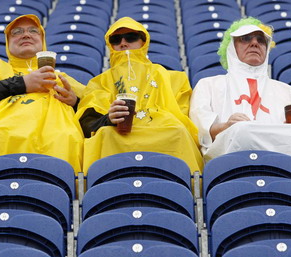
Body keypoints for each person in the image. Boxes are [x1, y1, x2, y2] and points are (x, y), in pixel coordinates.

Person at [189, 17, 291, 171]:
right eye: (245, 38)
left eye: (261, 40)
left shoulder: (285, 89)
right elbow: (199, 129)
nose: (254, 43)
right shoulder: (208, 84)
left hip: (282, 150)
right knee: (242, 131)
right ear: (231, 47)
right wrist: (226, 126)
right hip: (230, 147)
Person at [0, 14, 85, 175]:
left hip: (55, 136)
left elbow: (94, 111)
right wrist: (23, 84)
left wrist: (75, 101)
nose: (26, 34)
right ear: (8, 42)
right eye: (17, 32)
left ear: (42, 40)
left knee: (66, 137)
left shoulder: (61, 78)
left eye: (33, 31)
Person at [75, 17, 203, 174]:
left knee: (178, 132)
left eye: (131, 37)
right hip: (117, 133)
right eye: (116, 39)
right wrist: (108, 118)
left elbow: (184, 119)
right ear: (110, 46)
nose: (123, 43)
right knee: (104, 134)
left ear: (144, 42)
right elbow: (87, 123)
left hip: (161, 132)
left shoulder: (175, 78)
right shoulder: (99, 82)